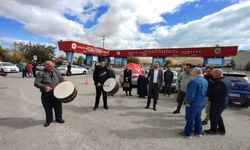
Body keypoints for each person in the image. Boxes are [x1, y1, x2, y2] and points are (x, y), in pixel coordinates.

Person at [34, 61, 65, 127]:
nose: (52, 67)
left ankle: (58, 118)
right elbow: (36, 83)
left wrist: (63, 80)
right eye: (50, 66)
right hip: (46, 94)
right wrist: (44, 87)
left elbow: (61, 78)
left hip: (57, 92)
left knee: (58, 106)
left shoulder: (55, 71)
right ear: (45, 66)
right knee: (48, 108)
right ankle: (49, 120)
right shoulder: (40, 73)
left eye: (53, 66)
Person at [180, 67, 208, 138]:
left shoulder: (194, 81)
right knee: (198, 117)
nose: (191, 72)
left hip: (193, 103)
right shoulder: (205, 81)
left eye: (192, 71)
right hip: (201, 102)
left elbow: (190, 94)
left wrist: (187, 102)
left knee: (190, 118)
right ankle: (198, 132)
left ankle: (187, 133)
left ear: (195, 72)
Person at [205, 69, 231, 135]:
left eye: (213, 74)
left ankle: (213, 130)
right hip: (223, 101)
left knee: (213, 116)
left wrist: (205, 92)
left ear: (217, 74)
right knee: (218, 115)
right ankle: (221, 129)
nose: (212, 75)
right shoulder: (226, 79)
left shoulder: (220, 82)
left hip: (218, 102)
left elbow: (214, 92)